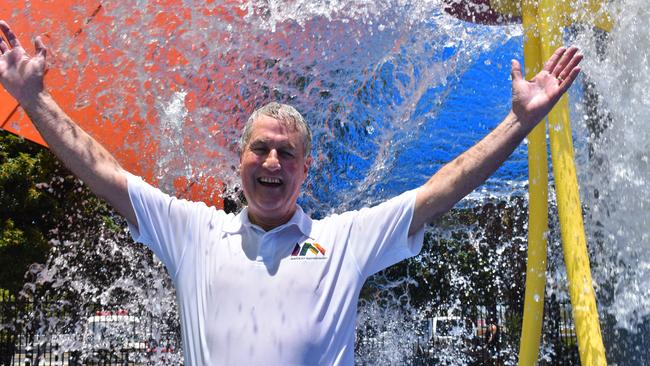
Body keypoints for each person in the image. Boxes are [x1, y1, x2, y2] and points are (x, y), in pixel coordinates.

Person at [0, 20, 582, 365]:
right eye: (260, 149)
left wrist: (520, 123)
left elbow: (443, 186)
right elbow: (102, 169)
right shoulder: (194, 232)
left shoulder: (343, 239)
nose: (271, 161)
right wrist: (34, 98)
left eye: (286, 153)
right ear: (241, 161)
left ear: (305, 170)